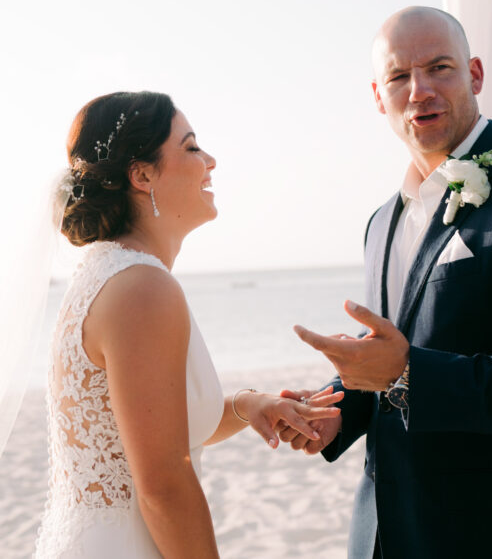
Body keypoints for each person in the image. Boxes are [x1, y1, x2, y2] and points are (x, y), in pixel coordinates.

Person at [280, 6, 492, 558]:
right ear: (378, 96)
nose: (419, 90)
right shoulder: (380, 222)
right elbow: (402, 351)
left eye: (439, 67)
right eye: (398, 76)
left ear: (475, 75)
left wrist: (406, 372)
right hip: (388, 535)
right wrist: (336, 411)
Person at [34, 91, 341, 558]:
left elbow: (147, 428)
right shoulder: (141, 288)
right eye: (192, 147)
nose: (209, 161)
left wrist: (247, 405)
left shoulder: (106, 274)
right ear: (142, 175)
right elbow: (163, 483)